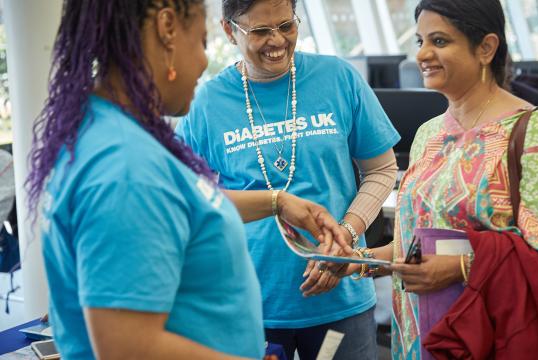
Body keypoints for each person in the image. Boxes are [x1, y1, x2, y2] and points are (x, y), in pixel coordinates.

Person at [26, 0, 350, 359]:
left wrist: (277, 201)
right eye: (201, 41)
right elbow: (127, 347)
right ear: (167, 27)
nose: (201, 63)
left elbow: (177, 205)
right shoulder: (125, 166)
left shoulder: (110, 134)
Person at [337, 0, 538, 358]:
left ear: (486, 48)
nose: (423, 55)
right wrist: (363, 260)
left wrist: (463, 268)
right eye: (420, 42)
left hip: (492, 336)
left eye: (440, 41)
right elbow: (419, 245)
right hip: (421, 334)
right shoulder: (428, 135)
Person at [176, 0, 400, 358]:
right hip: (252, 303)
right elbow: (186, 198)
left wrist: (344, 236)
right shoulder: (206, 103)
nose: (277, 41)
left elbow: (382, 170)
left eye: (286, 26)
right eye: (260, 31)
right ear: (230, 30)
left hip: (341, 298)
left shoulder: (338, 78)